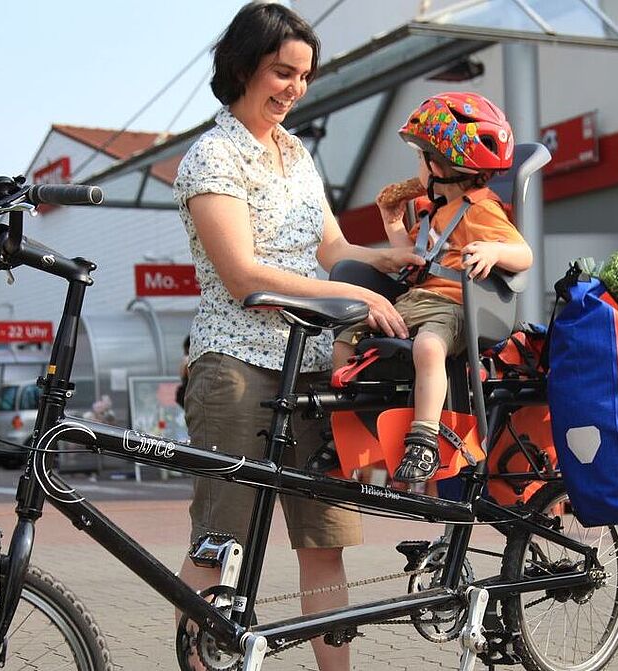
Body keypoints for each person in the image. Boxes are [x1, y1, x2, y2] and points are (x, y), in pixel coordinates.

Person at [172, 3, 423, 669]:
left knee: (324, 541)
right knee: (219, 544)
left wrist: (387, 259)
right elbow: (244, 275)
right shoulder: (213, 156)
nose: (295, 88)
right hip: (237, 367)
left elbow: (331, 247)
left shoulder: (295, 152)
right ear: (242, 66)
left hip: (314, 367)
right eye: (283, 72)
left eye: (304, 76)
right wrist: (356, 296)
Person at [326, 92, 532, 483]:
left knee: (427, 348)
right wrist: (393, 224)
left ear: (439, 165)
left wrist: (493, 251)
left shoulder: (480, 209)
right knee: (346, 334)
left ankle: (424, 439)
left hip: (452, 308)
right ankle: (342, 421)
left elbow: (524, 254)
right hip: (413, 300)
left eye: (420, 159)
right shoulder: (433, 210)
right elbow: (413, 263)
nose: (417, 168)